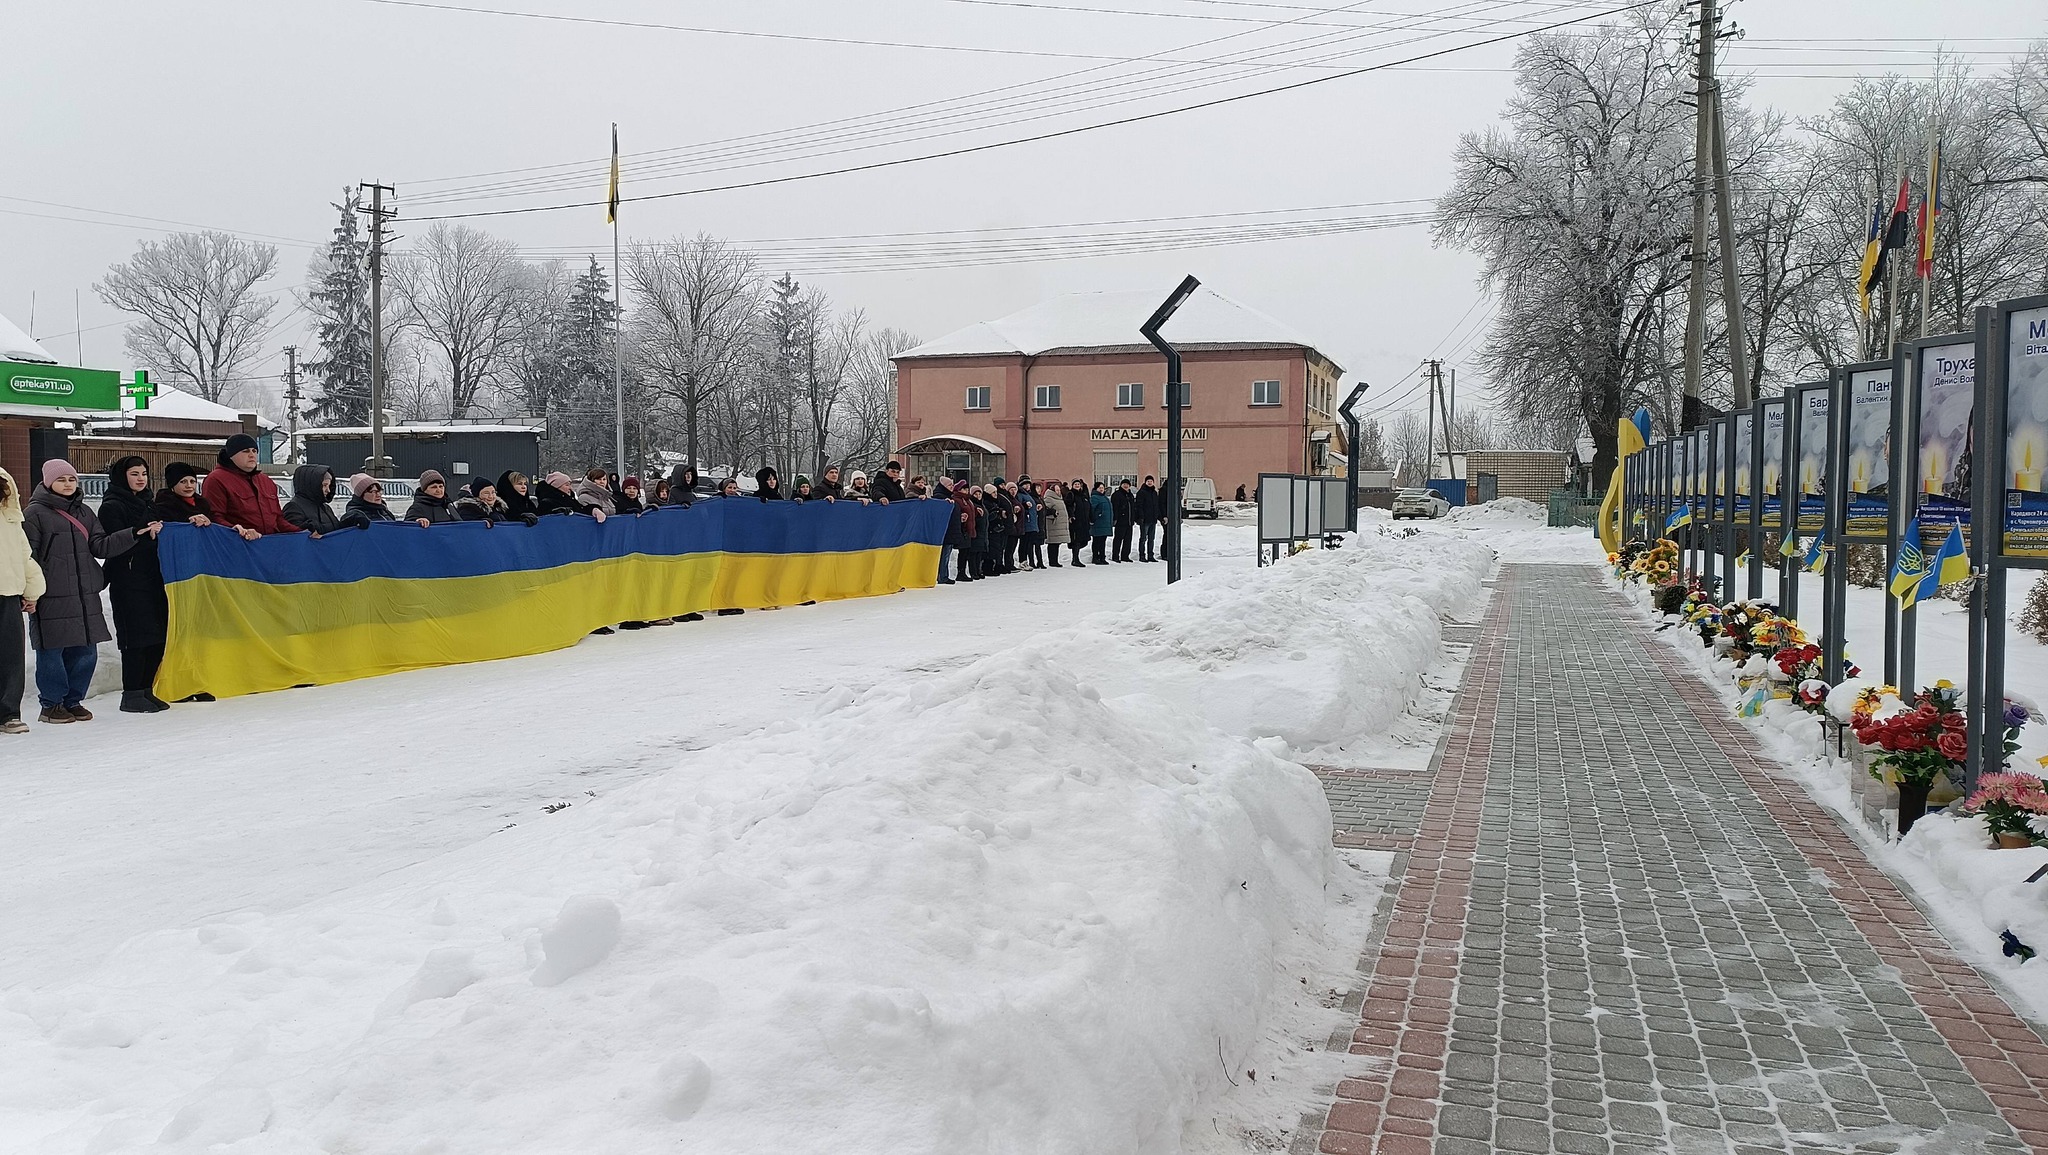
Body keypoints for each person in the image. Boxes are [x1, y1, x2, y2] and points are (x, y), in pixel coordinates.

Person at [24, 460, 157, 724]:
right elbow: (28, 556)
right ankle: (51, 705)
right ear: (48, 482)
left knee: (86, 651)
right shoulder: (35, 514)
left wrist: (133, 533)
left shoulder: (84, 511)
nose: (68, 484)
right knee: (52, 651)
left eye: (71, 479)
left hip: (85, 593)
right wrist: (30, 592)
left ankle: (73, 701)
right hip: (52, 594)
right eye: (61, 480)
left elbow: (100, 546)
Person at [97, 457, 178, 714]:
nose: (141, 478)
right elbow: (113, 545)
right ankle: (131, 693)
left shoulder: (149, 503)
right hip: (128, 579)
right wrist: (142, 532)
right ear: (122, 476)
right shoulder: (111, 506)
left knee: (157, 636)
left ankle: (146, 689)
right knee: (136, 638)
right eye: (134, 474)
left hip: (154, 577)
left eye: (144, 473)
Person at [0, 467, 40, 733]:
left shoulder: (10, 518)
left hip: (8, 593)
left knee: (11, 655)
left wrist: (32, 590)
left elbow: (24, 556)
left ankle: (8, 713)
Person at [203, 433, 301, 536]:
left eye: (254, 451)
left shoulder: (266, 481)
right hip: (235, 542)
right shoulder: (216, 479)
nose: (251, 455)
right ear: (231, 455)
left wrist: (303, 533)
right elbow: (214, 518)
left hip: (268, 542)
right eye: (245, 451)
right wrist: (237, 531)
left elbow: (278, 520)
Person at [283, 464, 349, 535]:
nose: (328, 490)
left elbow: (337, 530)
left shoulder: (325, 508)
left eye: (329, 486)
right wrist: (307, 529)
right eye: (324, 485)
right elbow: (294, 536)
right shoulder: (294, 507)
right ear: (313, 485)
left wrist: (350, 521)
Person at [935, 477, 962, 585]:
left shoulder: (949, 496)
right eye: (950, 485)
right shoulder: (940, 497)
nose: (952, 487)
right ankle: (942, 576)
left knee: (946, 555)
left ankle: (943, 575)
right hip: (946, 532)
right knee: (944, 556)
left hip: (950, 530)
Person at [1135, 475, 1166, 563]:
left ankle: (1150, 555)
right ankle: (1142, 555)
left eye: (1151, 481)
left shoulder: (1154, 493)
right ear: (1145, 482)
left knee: (1151, 539)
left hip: (1153, 520)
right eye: (1148, 481)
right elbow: (1139, 506)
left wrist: (1159, 517)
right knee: (1143, 538)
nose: (1149, 483)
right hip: (1145, 520)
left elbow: (1157, 506)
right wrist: (1140, 517)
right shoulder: (1141, 492)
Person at [1038, 480, 1068, 568]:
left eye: (1059, 490)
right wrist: (1053, 514)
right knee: (1053, 544)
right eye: (1056, 490)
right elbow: (1045, 511)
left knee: (1056, 544)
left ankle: (1055, 560)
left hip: (1058, 525)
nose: (1058, 492)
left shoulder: (1059, 498)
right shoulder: (1049, 498)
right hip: (1053, 525)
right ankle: (1052, 561)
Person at [1064, 480, 1091, 567]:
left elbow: (1088, 507)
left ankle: (1076, 556)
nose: (1077, 485)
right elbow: (1068, 505)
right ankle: (1075, 559)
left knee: (1084, 541)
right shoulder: (1071, 494)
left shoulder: (1083, 495)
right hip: (1076, 521)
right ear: (1072, 486)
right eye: (1075, 484)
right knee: (1076, 541)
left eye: (1078, 484)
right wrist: (1071, 515)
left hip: (1084, 521)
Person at [1015, 480, 1040, 571]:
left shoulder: (1028, 494)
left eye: (1028, 484)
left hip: (1031, 522)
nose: (1027, 486)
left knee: (1028, 543)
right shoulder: (1020, 494)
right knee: (1024, 543)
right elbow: (1019, 506)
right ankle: (1022, 561)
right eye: (1025, 484)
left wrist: (1036, 508)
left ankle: (1025, 561)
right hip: (1026, 522)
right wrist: (1024, 505)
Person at [1111, 478, 1136, 563]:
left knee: (1128, 540)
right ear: (1121, 485)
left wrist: (1133, 518)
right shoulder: (1117, 495)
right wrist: (1115, 518)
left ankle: (1125, 556)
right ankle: (1115, 556)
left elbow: (1133, 508)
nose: (1126, 486)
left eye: (1127, 484)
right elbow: (1115, 508)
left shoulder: (1130, 495)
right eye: (1124, 484)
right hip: (1120, 521)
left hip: (1129, 521)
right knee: (1118, 539)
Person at [1089, 481, 1114, 565]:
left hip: (1105, 523)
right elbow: (1092, 509)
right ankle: (1095, 557)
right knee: (1097, 541)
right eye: (1100, 488)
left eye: (1102, 488)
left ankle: (1102, 557)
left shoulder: (1104, 497)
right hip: (1098, 523)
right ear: (1096, 489)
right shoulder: (1094, 497)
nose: (1101, 489)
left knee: (1103, 541)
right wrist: (1093, 519)